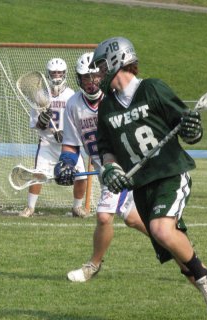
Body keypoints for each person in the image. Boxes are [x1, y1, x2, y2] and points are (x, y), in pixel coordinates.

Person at [90, 36, 207, 319]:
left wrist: (191, 128)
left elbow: (188, 131)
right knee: (178, 252)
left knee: (161, 229)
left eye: (101, 66)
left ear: (116, 60)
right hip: (142, 185)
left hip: (170, 172)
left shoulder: (152, 89)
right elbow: (107, 149)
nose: (97, 73)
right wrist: (112, 170)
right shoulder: (107, 107)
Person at [53, 52, 148, 282]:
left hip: (123, 166)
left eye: (95, 76)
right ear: (78, 79)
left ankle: (92, 266)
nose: (92, 81)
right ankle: (175, 243)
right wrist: (65, 163)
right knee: (133, 219)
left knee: (104, 216)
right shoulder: (74, 104)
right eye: (86, 77)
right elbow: (70, 145)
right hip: (104, 169)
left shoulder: (115, 99)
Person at [20, 58, 88, 217]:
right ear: (48, 74)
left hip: (69, 144)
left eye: (59, 72)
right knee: (38, 174)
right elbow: (36, 124)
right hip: (47, 144)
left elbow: (79, 120)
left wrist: (68, 132)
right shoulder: (40, 95)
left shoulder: (72, 95)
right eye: (53, 72)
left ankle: (77, 207)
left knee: (81, 176)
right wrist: (42, 123)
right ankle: (30, 207)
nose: (56, 76)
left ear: (65, 74)